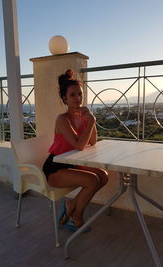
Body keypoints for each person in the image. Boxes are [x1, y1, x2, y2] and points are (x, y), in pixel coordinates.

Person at [43, 69, 109, 232]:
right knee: (92, 180)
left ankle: (71, 204)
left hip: (72, 162)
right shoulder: (62, 119)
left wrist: (89, 121)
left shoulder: (82, 116)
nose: (78, 98)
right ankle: (76, 217)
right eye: (73, 95)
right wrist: (92, 120)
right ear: (64, 98)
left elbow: (92, 142)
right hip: (56, 167)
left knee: (103, 176)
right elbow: (80, 145)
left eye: (80, 94)